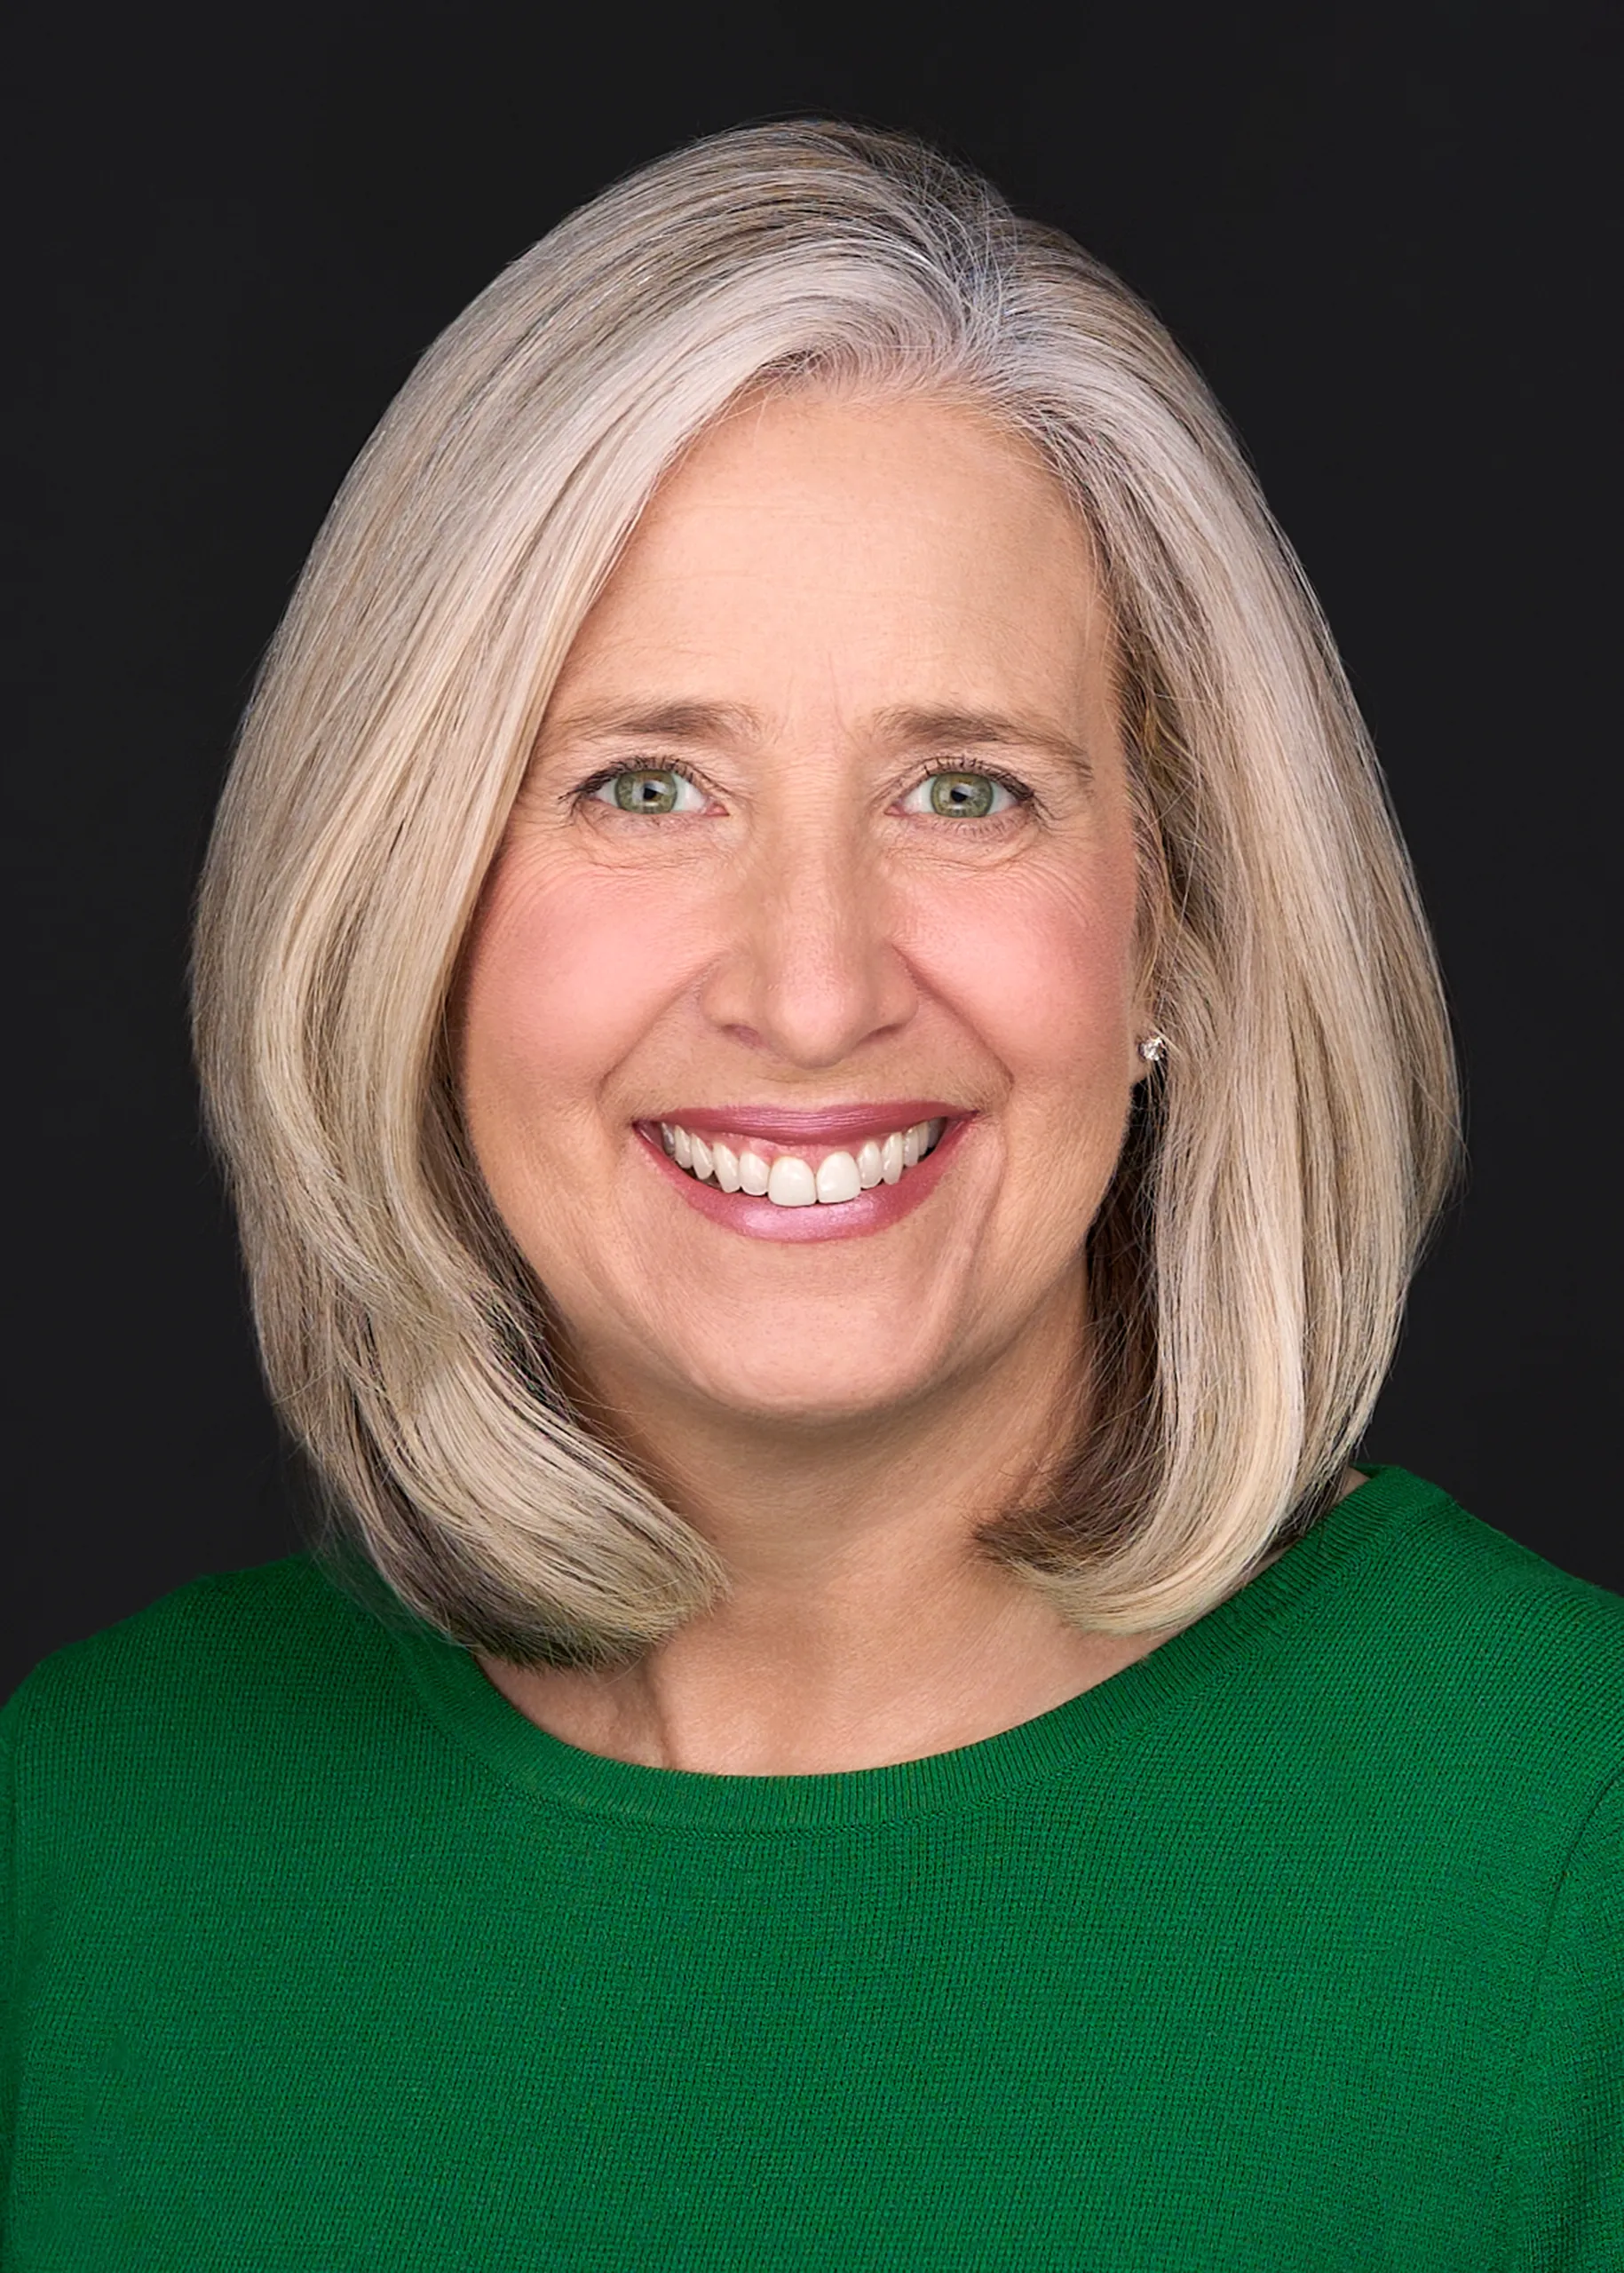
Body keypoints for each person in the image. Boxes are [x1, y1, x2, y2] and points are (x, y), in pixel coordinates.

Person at [2, 120, 1618, 2269]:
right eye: (642, 784)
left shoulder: (1560, 1845)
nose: (811, 984)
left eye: (966, 788)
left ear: (1174, 928)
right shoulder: (80, 1849)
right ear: (408, 913)